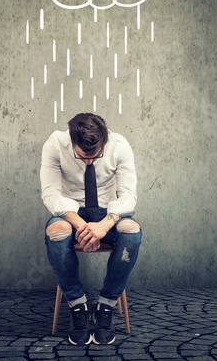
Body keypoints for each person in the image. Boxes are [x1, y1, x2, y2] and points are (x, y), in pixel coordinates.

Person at [41, 112, 142, 345]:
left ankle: (106, 306)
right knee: (56, 232)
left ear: (104, 141)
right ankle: (78, 306)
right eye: (82, 156)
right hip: (70, 212)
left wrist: (104, 225)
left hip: (109, 213)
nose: (88, 162)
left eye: (95, 157)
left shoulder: (119, 145)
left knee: (131, 232)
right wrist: (83, 226)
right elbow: (51, 194)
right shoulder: (55, 144)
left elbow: (129, 198)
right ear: (72, 139)